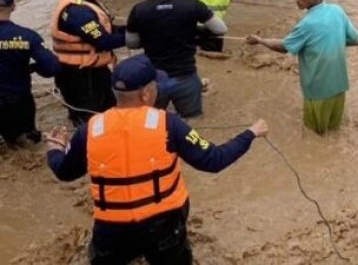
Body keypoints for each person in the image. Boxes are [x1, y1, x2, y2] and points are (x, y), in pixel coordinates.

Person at [45, 54, 269, 265]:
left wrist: (55, 149)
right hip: (162, 228)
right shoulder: (168, 123)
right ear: (146, 94)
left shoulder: (90, 129)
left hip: (111, 231)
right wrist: (251, 133)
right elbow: (214, 160)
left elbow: (64, 172)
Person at [246, 0, 358, 134]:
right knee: (334, 130)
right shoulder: (337, 10)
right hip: (339, 85)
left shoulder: (307, 23)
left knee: (315, 134)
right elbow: (356, 39)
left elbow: (284, 47)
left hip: (318, 90)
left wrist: (259, 40)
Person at [126, 0, 227, 118]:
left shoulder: (139, 10)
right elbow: (220, 28)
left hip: (154, 79)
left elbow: (132, 43)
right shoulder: (193, 5)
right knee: (192, 123)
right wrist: (196, 31)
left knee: (153, 122)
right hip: (185, 76)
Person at [51, 0, 125, 126]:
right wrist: (134, 37)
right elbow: (103, 41)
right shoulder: (78, 12)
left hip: (91, 70)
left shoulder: (85, 0)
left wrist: (131, 28)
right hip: (81, 76)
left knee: (109, 112)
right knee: (91, 120)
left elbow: (107, 29)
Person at [0, 0, 60, 145]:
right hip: (16, 102)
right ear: (13, 6)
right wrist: (33, 68)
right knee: (25, 144)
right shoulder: (26, 36)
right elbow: (52, 67)